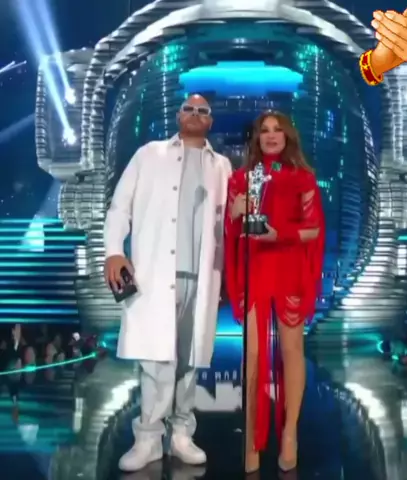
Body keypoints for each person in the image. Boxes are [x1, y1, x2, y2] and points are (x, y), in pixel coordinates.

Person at [104, 94, 232, 472]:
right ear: (178, 115)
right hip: (156, 274)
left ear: (210, 121)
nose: (195, 114)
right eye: (188, 109)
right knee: (156, 361)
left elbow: (231, 221)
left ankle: (181, 435)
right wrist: (114, 251)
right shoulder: (149, 155)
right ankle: (147, 439)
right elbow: (120, 206)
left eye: (203, 111)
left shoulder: (222, 166)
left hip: (202, 277)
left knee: (190, 360)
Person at [224, 111, 325, 473]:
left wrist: (278, 233)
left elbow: (314, 230)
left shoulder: (303, 179)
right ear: (256, 138)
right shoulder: (240, 178)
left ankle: (289, 433)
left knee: (291, 350)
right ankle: (251, 439)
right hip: (254, 268)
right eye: (264, 130)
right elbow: (230, 230)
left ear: (287, 136)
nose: (270, 136)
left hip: (289, 267)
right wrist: (234, 212)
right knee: (251, 354)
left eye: (277, 130)